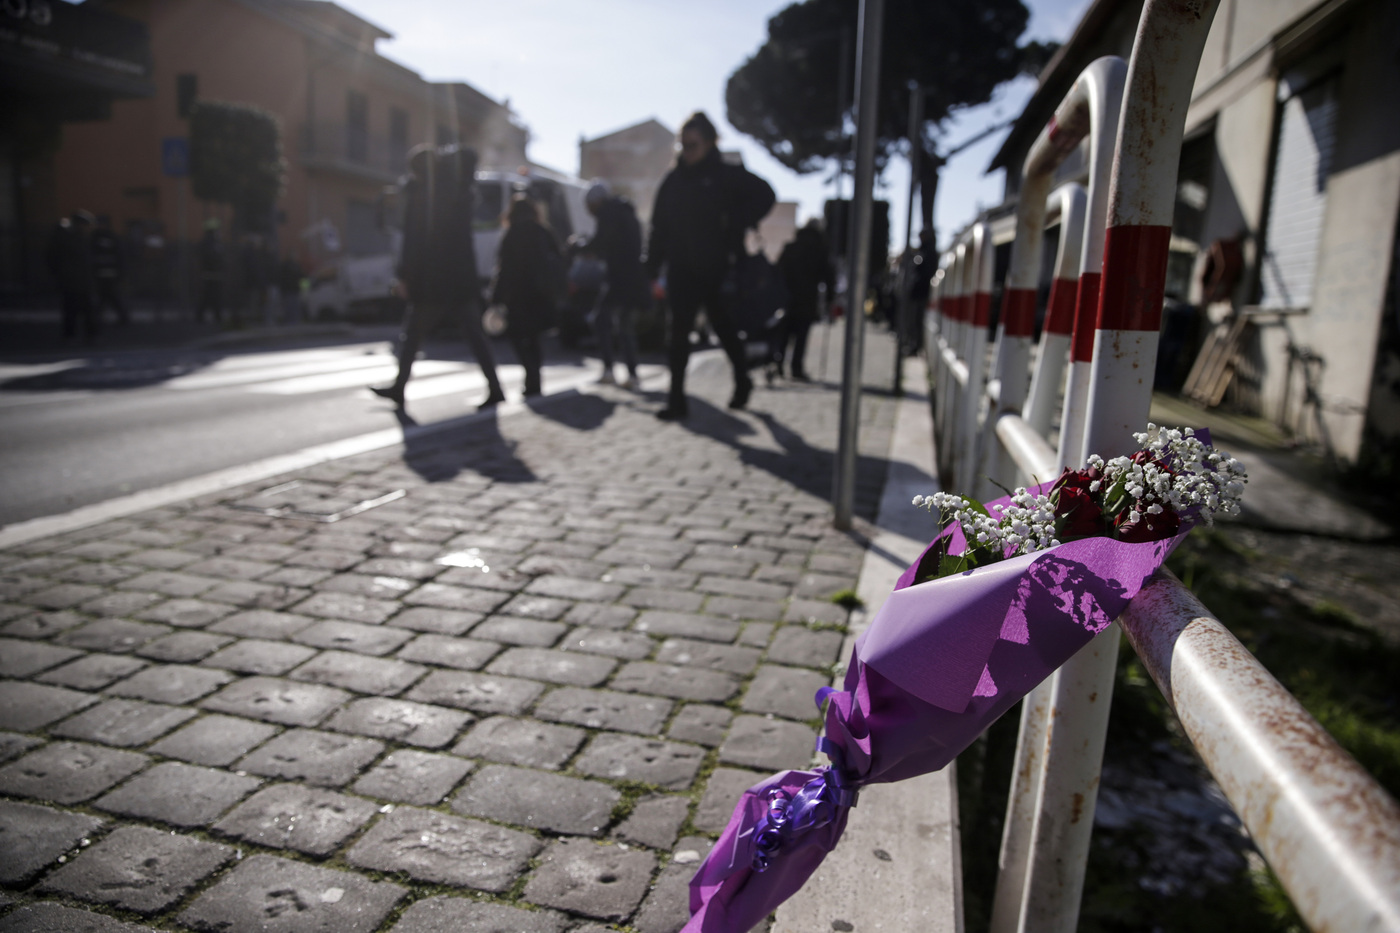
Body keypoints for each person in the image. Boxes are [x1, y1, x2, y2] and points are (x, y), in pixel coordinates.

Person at [646, 111, 775, 420]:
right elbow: (658, 226)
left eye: (693, 145)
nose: (687, 152)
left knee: (724, 329)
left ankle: (742, 380)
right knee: (677, 335)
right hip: (681, 270)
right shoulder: (673, 181)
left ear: (709, 143)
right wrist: (651, 266)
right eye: (683, 145)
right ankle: (677, 401)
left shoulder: (726, 176)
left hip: (718, 270)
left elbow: (766, 195)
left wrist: (736, 223)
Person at [372, 144, 506, 411]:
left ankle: (400, 388)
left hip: (431, 279)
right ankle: (494, 387)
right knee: (473, 335)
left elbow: (414, 241)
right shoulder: (460, 192)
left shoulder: (422, 196)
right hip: (459, 277)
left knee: (413, 335)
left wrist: (405, 275)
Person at [492, 195, 563, 398]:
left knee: (517, 337)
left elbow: (503, 268)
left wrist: (496, 297)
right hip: (540, 294)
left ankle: (530, 376)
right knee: (534, 338)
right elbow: (559, 260)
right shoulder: (543, 231)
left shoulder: (512, 234)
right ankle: (535, 378)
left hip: (517, 294)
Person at [583, 181, 646, 388]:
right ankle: (631, 373)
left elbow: (601, 242)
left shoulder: (608, 213)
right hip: (630, 276)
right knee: (623, 324)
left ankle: (612, 370)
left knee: (603, 320)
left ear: (597, 201)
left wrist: (580, 247)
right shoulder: (624, 212)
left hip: (619, 277)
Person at [776, 219, 834, 381]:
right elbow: (828, 276)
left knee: (784, 334)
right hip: (807, 300)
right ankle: (796, 368)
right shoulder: (819, 249)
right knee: (801, 337)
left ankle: (778, 363)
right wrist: (830, 298)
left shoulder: (791, 247)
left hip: (787, 298)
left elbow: (778, 271)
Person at [46, 211, 98, 343]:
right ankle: (74, 335)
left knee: (84, 310)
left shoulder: (81, 238)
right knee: (74, 309)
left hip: (80, 280)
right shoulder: (67, 238)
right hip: (73, 280)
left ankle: (85, 335)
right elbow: (53, 259)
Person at [91, 215, 129, 326]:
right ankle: (98, 317)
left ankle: (122, 317)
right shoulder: (94, 238)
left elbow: (120, 257)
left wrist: (120, 273)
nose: (100, 226)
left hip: (111, 275)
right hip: (99, 274)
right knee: (105, 297)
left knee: (110, 296)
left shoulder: (112, 238)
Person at [197, 218, 225, 323]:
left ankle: (203, 316)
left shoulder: (205, 243)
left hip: (208, 275)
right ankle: (216, 316)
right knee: (214, 297)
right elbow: (216, 258)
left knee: (207, 297)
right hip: (213, 275)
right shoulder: (214, 244)